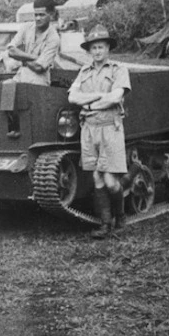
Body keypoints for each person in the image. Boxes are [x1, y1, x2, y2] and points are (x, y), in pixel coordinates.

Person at [68, 25, 131, 239]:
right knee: (96, 178)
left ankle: (120, 215)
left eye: (101, 47)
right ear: (89, 50)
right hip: (89, 130)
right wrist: (97, 96)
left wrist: (92, 105)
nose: (97, 51)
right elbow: (73, 97)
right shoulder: (84, 72)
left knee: (111, 181)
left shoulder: (118, 69)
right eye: (93, 47)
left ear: (108, 48)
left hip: (109, 127)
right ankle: (105, 223)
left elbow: (116, 97)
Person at [0, 0, 61, 136]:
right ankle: (8, 130)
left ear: (51, 15)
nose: (38, 18)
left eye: (42, 15)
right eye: (36, 14)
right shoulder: (27, 27)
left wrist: (21, 59)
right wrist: (34, 58)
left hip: (39, 81)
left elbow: (40, 68)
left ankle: (22, 133)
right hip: (21, 75)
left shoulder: (53, 38)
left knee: (25, 102)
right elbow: (11, 50)